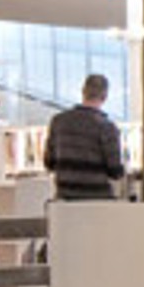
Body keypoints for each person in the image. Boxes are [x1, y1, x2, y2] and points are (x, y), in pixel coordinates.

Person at [46, 73, 126, 202]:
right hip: (97, 199)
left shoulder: (58, 122)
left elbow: (49, 163)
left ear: (83, 92)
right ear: (105, 97)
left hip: (65, 199)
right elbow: (115, 171)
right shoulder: (107, 127)